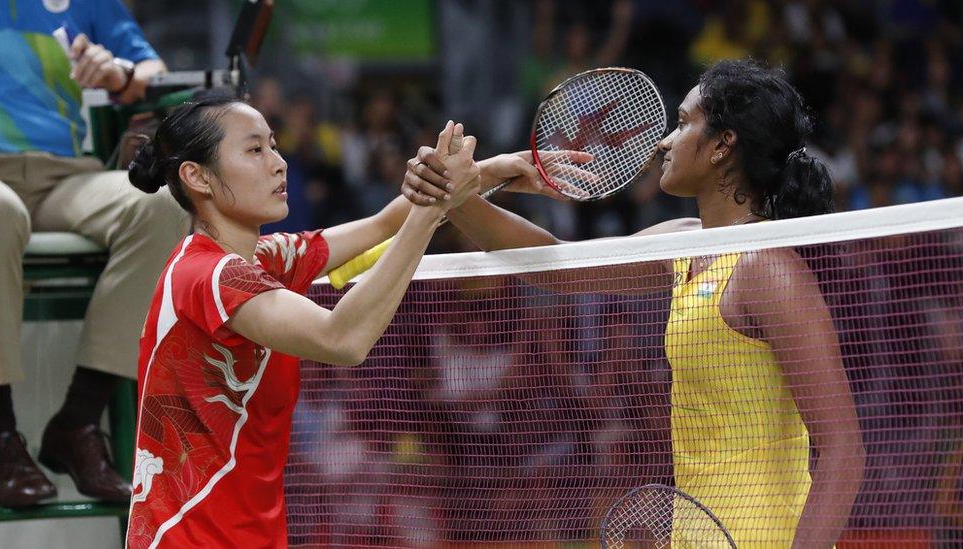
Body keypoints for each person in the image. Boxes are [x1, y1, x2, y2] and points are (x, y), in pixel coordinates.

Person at [403, 60, 866, 547]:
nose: (664, 141)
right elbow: (560, 268)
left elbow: (842, 450)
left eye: (684, 123)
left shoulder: (767, 268)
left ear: (723, 146)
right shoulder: (684, 245)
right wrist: (456, 192)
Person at [124, 95, 481, 548]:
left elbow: (383, 224)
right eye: (255, 150)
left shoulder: (258, 260)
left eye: (274, 146)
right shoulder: (211, 274)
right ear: (197, 176)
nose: (279, 163)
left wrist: (496, 169)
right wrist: (430, 212)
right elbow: (342, 339)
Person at [0, 0, 185, 507]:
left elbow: (153, 71)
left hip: (67, 176)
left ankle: (76, 423)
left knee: (161, 205)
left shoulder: (88, 4)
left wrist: (118, 72)